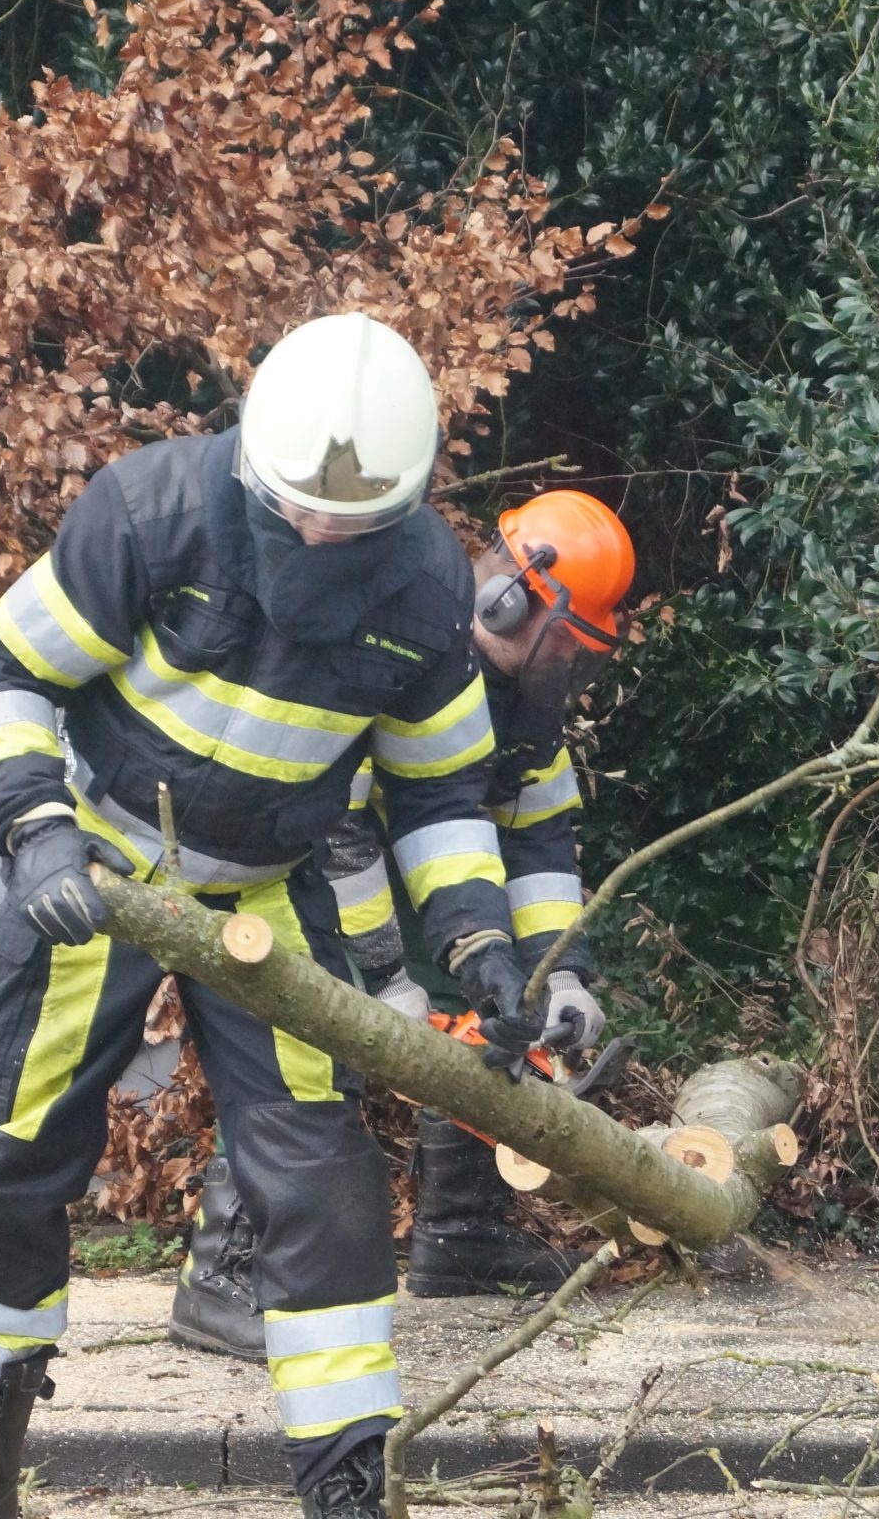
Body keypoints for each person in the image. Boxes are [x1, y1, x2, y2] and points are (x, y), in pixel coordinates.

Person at [0, 315, 542, 1519]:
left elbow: (438, 792)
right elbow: (10, 669)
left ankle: (347, 1486)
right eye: (298, 510)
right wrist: (38, 831)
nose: (320, 533)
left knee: (321, 1182)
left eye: (350, 520)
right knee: (9, 1153)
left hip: (271, 893)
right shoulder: (151, 511)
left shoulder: (430, 588)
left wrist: (479, 940)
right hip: (102, 868)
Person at [172, 489, 634, 1357]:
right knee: (307, 1050)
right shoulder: (410, 643)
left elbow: (539, 840)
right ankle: (224, 1268)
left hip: (440, 880)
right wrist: (385, 977)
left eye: (585, 649)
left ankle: (460, 1235)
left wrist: (559, 971)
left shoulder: (528, 715)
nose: (571, 662)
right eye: (567, 638)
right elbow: (341, 830)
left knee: (489, 1013)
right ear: (510, 599)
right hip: (313, 867)